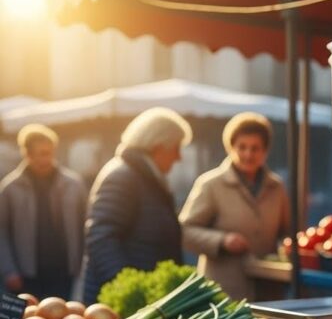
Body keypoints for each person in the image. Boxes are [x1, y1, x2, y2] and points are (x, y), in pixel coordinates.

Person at [82, 107, 192, 303]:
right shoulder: (122, 176)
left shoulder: (147, 177)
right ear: (159, 145)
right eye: (176, 148)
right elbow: (101, 238)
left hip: (141, 299)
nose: (179, 157)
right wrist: (130, 289)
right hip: (120, 303)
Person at [179, 112, 290, 300]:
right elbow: (184, 231)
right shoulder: (210, 184)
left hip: (268, 291)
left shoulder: (276, 187)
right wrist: (222, 240)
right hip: (224, 292)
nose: (248, 154)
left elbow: (287, 232)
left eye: (255, 148)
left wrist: (286, 246)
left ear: (265, 151)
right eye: (242, 147)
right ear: (231, 148)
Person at [0, 125, 88, 299]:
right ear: (27, 154)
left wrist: (82, 266)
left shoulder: (74, 185)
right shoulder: (10, 189)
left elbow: (86, 226)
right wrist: (9, 271)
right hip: (26, 276)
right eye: (40, 154)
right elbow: (2, 232)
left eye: (49, 153)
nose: (45, 159)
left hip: (65, 273)